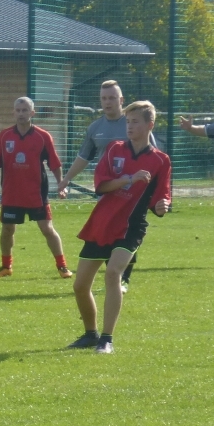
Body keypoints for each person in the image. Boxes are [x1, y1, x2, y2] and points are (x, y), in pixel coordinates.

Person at [67, 101, 170, 355]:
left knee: (113, 273)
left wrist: (162, 205)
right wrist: (128, 179)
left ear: (150, 125)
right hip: (103, 222)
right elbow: (101, 185)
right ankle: (90, 334)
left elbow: (160, 198)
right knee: (80, 286)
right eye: (128, 121)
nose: (130, 126)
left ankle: (107, 339)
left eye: (135, 121)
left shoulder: (160, 160)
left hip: (131, 227)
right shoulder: (114, 150)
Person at [60, 80, 157, 291]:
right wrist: (66, 179)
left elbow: (154, 156)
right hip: (109, 190)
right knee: (109, 231)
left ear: (121, 100)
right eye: (104, 98)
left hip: (134, 194)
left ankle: (122, 279)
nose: (108, 102)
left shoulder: (134, 122)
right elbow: (83, 157)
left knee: (127, 231)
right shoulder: (95, 128)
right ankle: (116, 276)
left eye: (112, 98)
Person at [0, 97, 69, 278]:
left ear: (32, 113)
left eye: (25, 110)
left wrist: (61, 184)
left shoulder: (43, 136)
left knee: (47, 229)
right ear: (13, 112)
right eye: (18, 110)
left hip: (36, 194)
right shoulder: (4, 136)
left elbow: (54, 163)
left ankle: (62, 266)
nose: (21, 113)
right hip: (12, 194)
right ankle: (6, 267)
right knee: (7, 230)